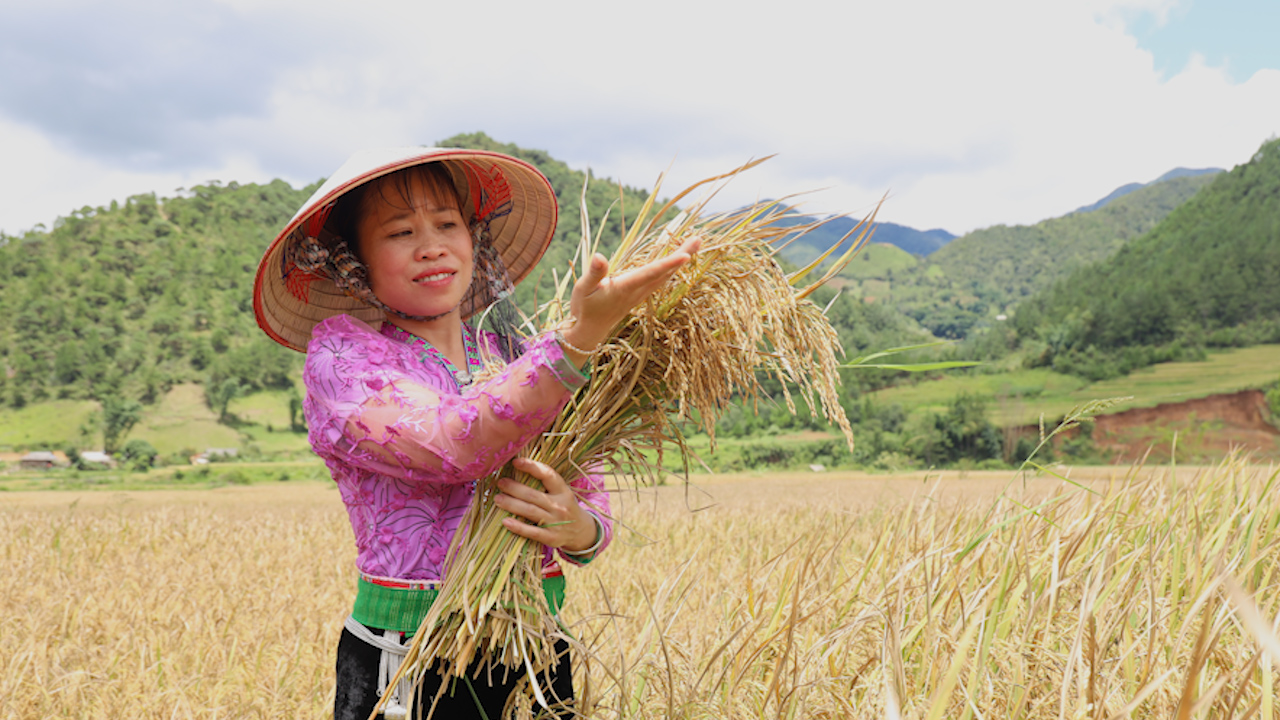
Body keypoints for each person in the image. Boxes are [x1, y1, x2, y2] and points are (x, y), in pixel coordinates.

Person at [253, 147, 698, 719]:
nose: (432, 245)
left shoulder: (515, 353)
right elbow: (452, 443)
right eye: (400, 232)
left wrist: (578, 527)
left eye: (447, 224)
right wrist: (582, 337)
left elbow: (591, 504)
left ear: (473, 238)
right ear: (354, 261)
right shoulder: (344, 358)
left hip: (537, 653)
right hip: (412, 662)